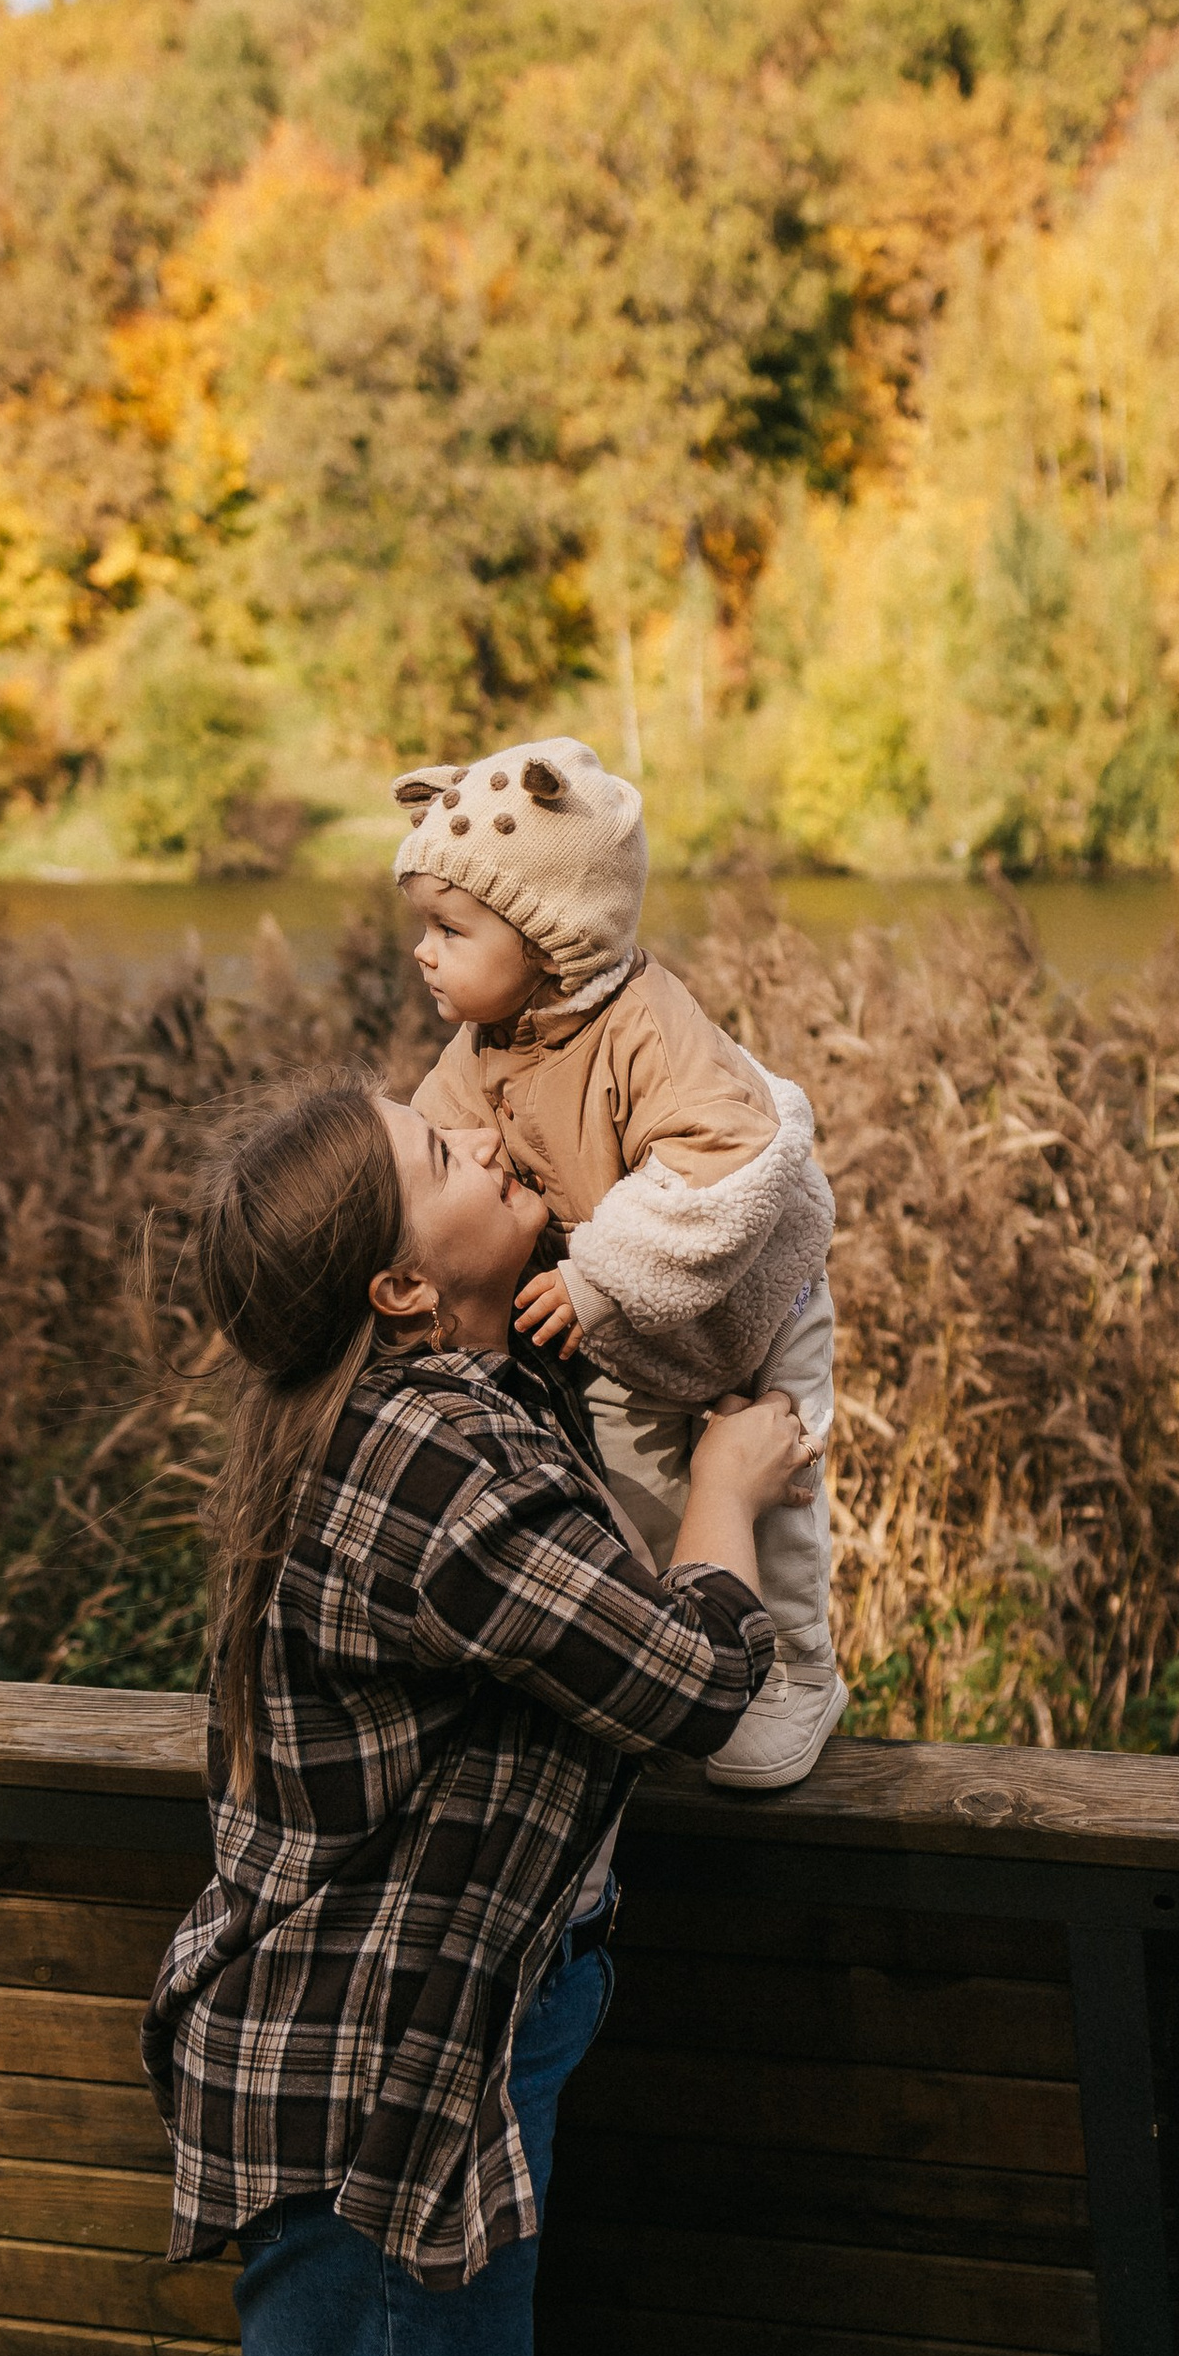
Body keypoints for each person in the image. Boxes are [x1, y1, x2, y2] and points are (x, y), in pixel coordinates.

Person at [141, 1073, 817, 2356]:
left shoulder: (386, 1417)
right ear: (388, 1286)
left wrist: (575, 1246)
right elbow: (684, 1680)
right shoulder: (429, 1454)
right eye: (442, 1158)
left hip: (336, 2065)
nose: (485, 1144)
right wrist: (730, 1484)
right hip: (386, 2102)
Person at [390, 734, 845, 1791]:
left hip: (760, 1303)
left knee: (778, 1481)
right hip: (629, 1335)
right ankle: (677, 1654)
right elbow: (436, 1151)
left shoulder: (650, 1028)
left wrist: (597, 1274)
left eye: (450, 929)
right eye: (425, 927)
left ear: (554, 936)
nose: (423, 952)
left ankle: (797, 1673)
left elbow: (726, 1161)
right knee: (637, 1501)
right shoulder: (485, 1043)